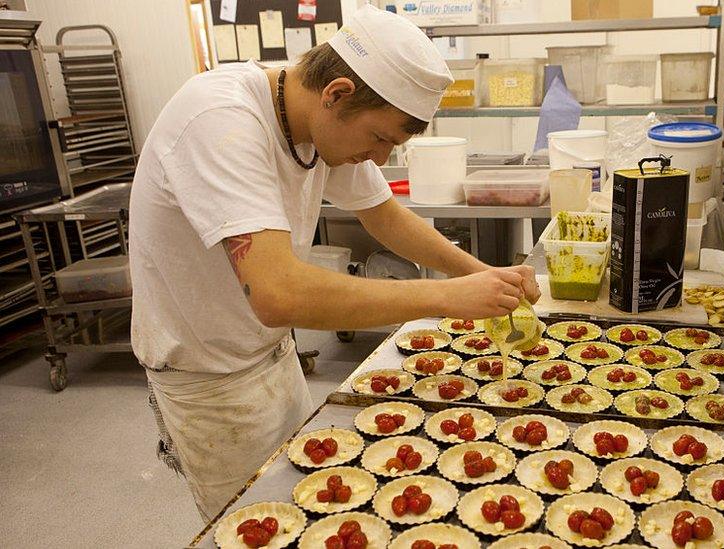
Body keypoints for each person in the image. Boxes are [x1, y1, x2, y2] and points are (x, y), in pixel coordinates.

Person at [128, 5, 539, 520]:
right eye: (381, 139)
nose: (381, 157)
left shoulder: (318, 123)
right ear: (337, 93)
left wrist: (480, 273)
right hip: (207, 375)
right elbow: (279, 294)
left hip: (270, 353)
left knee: (305, 501)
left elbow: (385, 218)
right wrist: (446, 296)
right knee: (258, 521)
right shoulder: (221, 121)